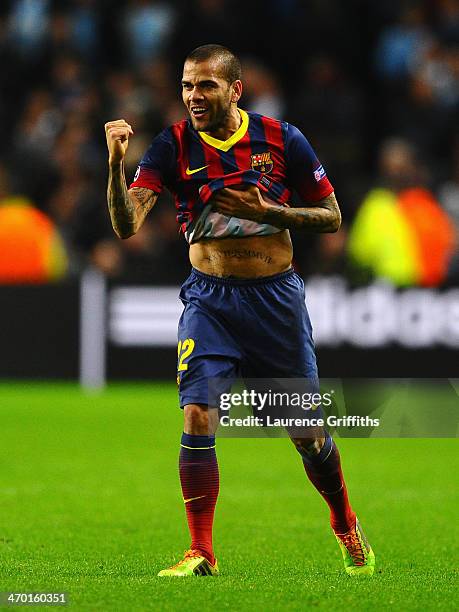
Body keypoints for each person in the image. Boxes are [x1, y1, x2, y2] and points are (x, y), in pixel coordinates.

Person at [104, 44, 375, 578]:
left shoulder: (281, 138)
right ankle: (201, 551)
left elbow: (332, 216)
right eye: (186, 85)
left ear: (235, 89)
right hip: (209, 299)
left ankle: (344, 521)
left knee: (307, 434)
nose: (193, 96)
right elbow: (125, 225)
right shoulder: (173, 143)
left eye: (205, 85)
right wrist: (116, 166)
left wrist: (268, 210)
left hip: (274, 301)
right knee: (198, 411)